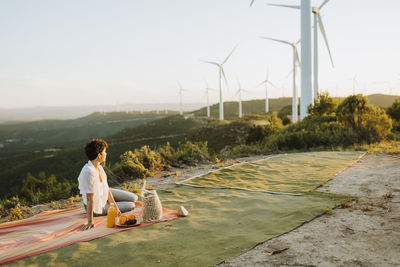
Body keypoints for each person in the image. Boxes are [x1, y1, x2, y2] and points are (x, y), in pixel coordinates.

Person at [78, 138, 138, 230]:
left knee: (134, 198)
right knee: (131, 205)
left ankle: (113, 204)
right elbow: (90, 199)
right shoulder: (88, 172)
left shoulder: (99, 168)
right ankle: (108, 206)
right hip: (95, 206)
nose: (106, 154)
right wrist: (90, 222)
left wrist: (114, 206)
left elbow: (106, 188)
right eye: (104, 152)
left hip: (103, 194)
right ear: (99, 156)